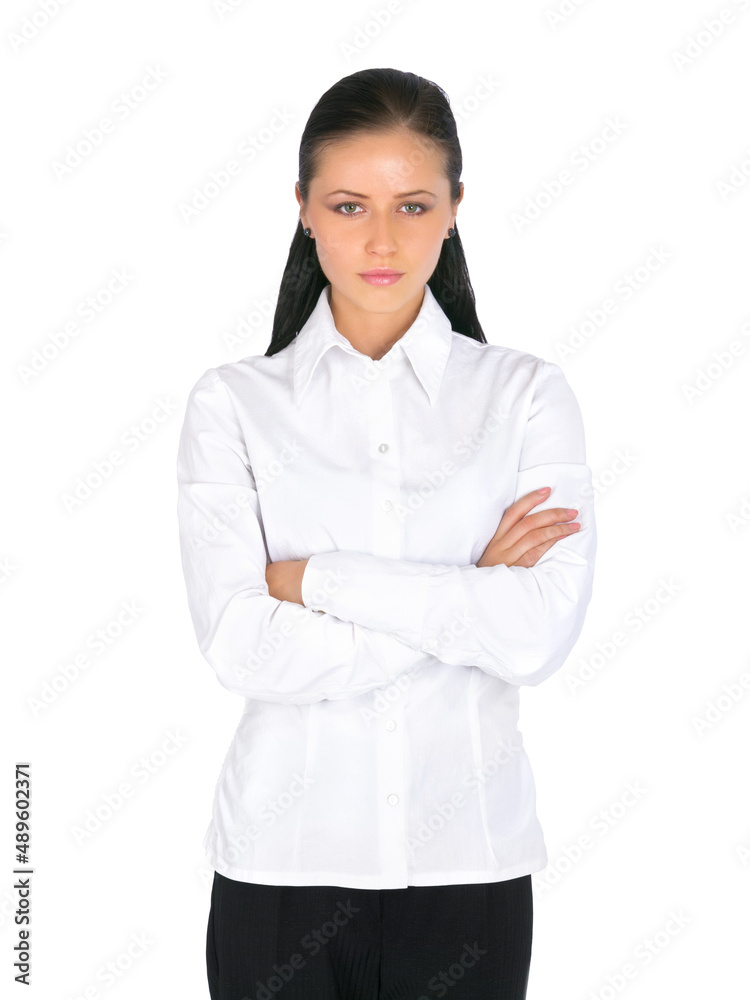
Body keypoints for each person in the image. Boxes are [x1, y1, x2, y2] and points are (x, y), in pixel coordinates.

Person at [176, 67, 597, 1000]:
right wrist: (466, 592)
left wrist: (313, 580)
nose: (380, 238)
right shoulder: (234, 405)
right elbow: (243, 647)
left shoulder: (526, 396)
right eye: (347, 204)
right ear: (303, 211)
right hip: (278, 873)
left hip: (470, 872)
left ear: (454, 209)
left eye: (411, 205)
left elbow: (532, 635)